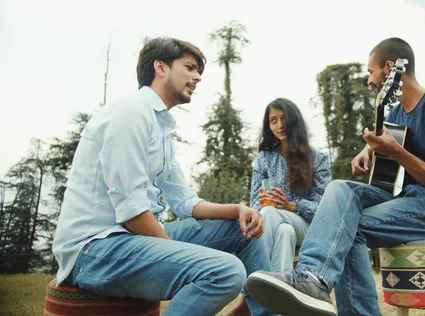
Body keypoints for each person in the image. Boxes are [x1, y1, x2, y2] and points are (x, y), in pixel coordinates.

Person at [245, 37, 425, 315]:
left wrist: (396, 153)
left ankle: (320, 284)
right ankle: (311, 279)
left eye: (371, 71)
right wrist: (366, 150)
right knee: (341, 192)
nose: (369, 80)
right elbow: (389, 138)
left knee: (348, 224)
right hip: (412, 199)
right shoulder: (397, 113)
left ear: (390, 68)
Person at [52, 37, 273, 316]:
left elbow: (185, 202)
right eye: (190, 68)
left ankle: (261, 312)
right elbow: (131, 211)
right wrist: (177, 257)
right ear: (160, 67)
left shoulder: (160, 127)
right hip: (94, 249)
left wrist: (240, 210)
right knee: (226, 271)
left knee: (245, 231)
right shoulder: (129, 114)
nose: (197, 78)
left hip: (131, 238)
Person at [224, 98, 331, 316]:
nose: (279, 125)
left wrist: (293, 205)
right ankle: (279, 309)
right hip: (276, 225)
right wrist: (260, 204)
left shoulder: (317, 158)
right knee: (283, 231)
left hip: (309, 229)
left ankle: (248, 298)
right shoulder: (264, 159)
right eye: (273, 121)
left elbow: (326, 208)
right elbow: (254, 204)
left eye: (283, 119)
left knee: (272, 215)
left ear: (294, 120)